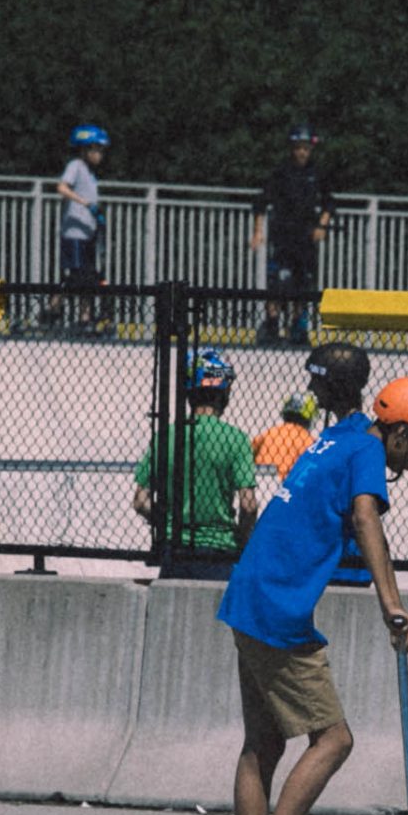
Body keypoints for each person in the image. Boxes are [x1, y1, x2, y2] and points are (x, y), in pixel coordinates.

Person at [215, 370, 408, 815]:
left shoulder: (343, 435)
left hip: (249, 593)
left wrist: (389, 599)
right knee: (334, 739)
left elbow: (352, 522)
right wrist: (391, 607)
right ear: (399, 436)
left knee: (264, 744)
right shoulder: (367, 452)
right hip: (278, 606)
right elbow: (367, 518)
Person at [134, 347, 259, 580]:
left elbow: (141, 501)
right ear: (224, 391)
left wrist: (167, 523)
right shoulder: (236, 438)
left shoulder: (167, 435)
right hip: (219, 549)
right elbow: (249, 505)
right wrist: (241, 540)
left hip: (175, 547)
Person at [249, 124, 335, 346]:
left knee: (302, 283)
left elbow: (329, 203)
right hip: (282, 236)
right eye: (298, 148)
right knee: (277, 282)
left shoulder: (316, 173)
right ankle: (272, 322)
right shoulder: (282, 172)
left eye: (305, 148)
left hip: (305, 238)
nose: (302, 153)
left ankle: (298, 325)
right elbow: (261, 201)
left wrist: (321, 226)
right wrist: (258, 231)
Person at [53, 124, 107, 331]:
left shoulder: (91, 173)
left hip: (88, 233)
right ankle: (53, 308)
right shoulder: (75, 165)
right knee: (76, 275)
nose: (100, 155)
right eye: (97, 150)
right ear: (86, 150)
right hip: (74, 233)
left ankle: (85, 317)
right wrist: (83, 203)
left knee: (90, 275)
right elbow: (61, 187)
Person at [251, 390, 319, 480]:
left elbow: (250, 450)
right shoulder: (308, 440)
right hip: (285, 481)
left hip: (259, 476)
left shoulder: (271, 432)